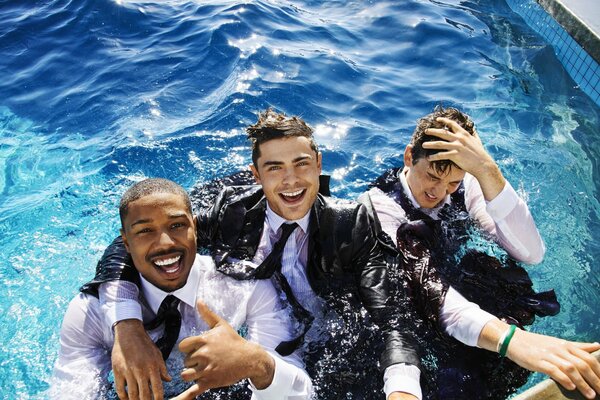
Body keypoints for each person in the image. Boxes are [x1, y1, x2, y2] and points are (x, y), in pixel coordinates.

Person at [81, 109, 423, 400]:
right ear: (256, 174)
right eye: (274, 168)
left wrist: (402, 391)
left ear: (319, 164)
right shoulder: (229, 212)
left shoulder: (353, 223)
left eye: (301, 164)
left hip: (329, 343)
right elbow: (131, 244)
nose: (291, 181)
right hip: (252, 332)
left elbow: (393, 316)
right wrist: (127, 328)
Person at [362, 106, 600, 399]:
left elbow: (531, 253)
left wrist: (487, 170)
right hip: (414, 297)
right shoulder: (379, 207)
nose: (440, 194)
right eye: (432, 178)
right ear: (409, 157)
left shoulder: (466, 184)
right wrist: (510, 341)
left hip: (455, 279)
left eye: (454, 182)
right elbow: (426, 290)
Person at [50, 178, 313, 399]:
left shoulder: (246, 289)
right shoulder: (89, 314)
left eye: (177, 226)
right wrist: (126, 325)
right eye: (145, 231)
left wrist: (256, 363)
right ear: (126, 243)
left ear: (195, 228)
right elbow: (72, 392)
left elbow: (302, 392)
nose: (164, 243)